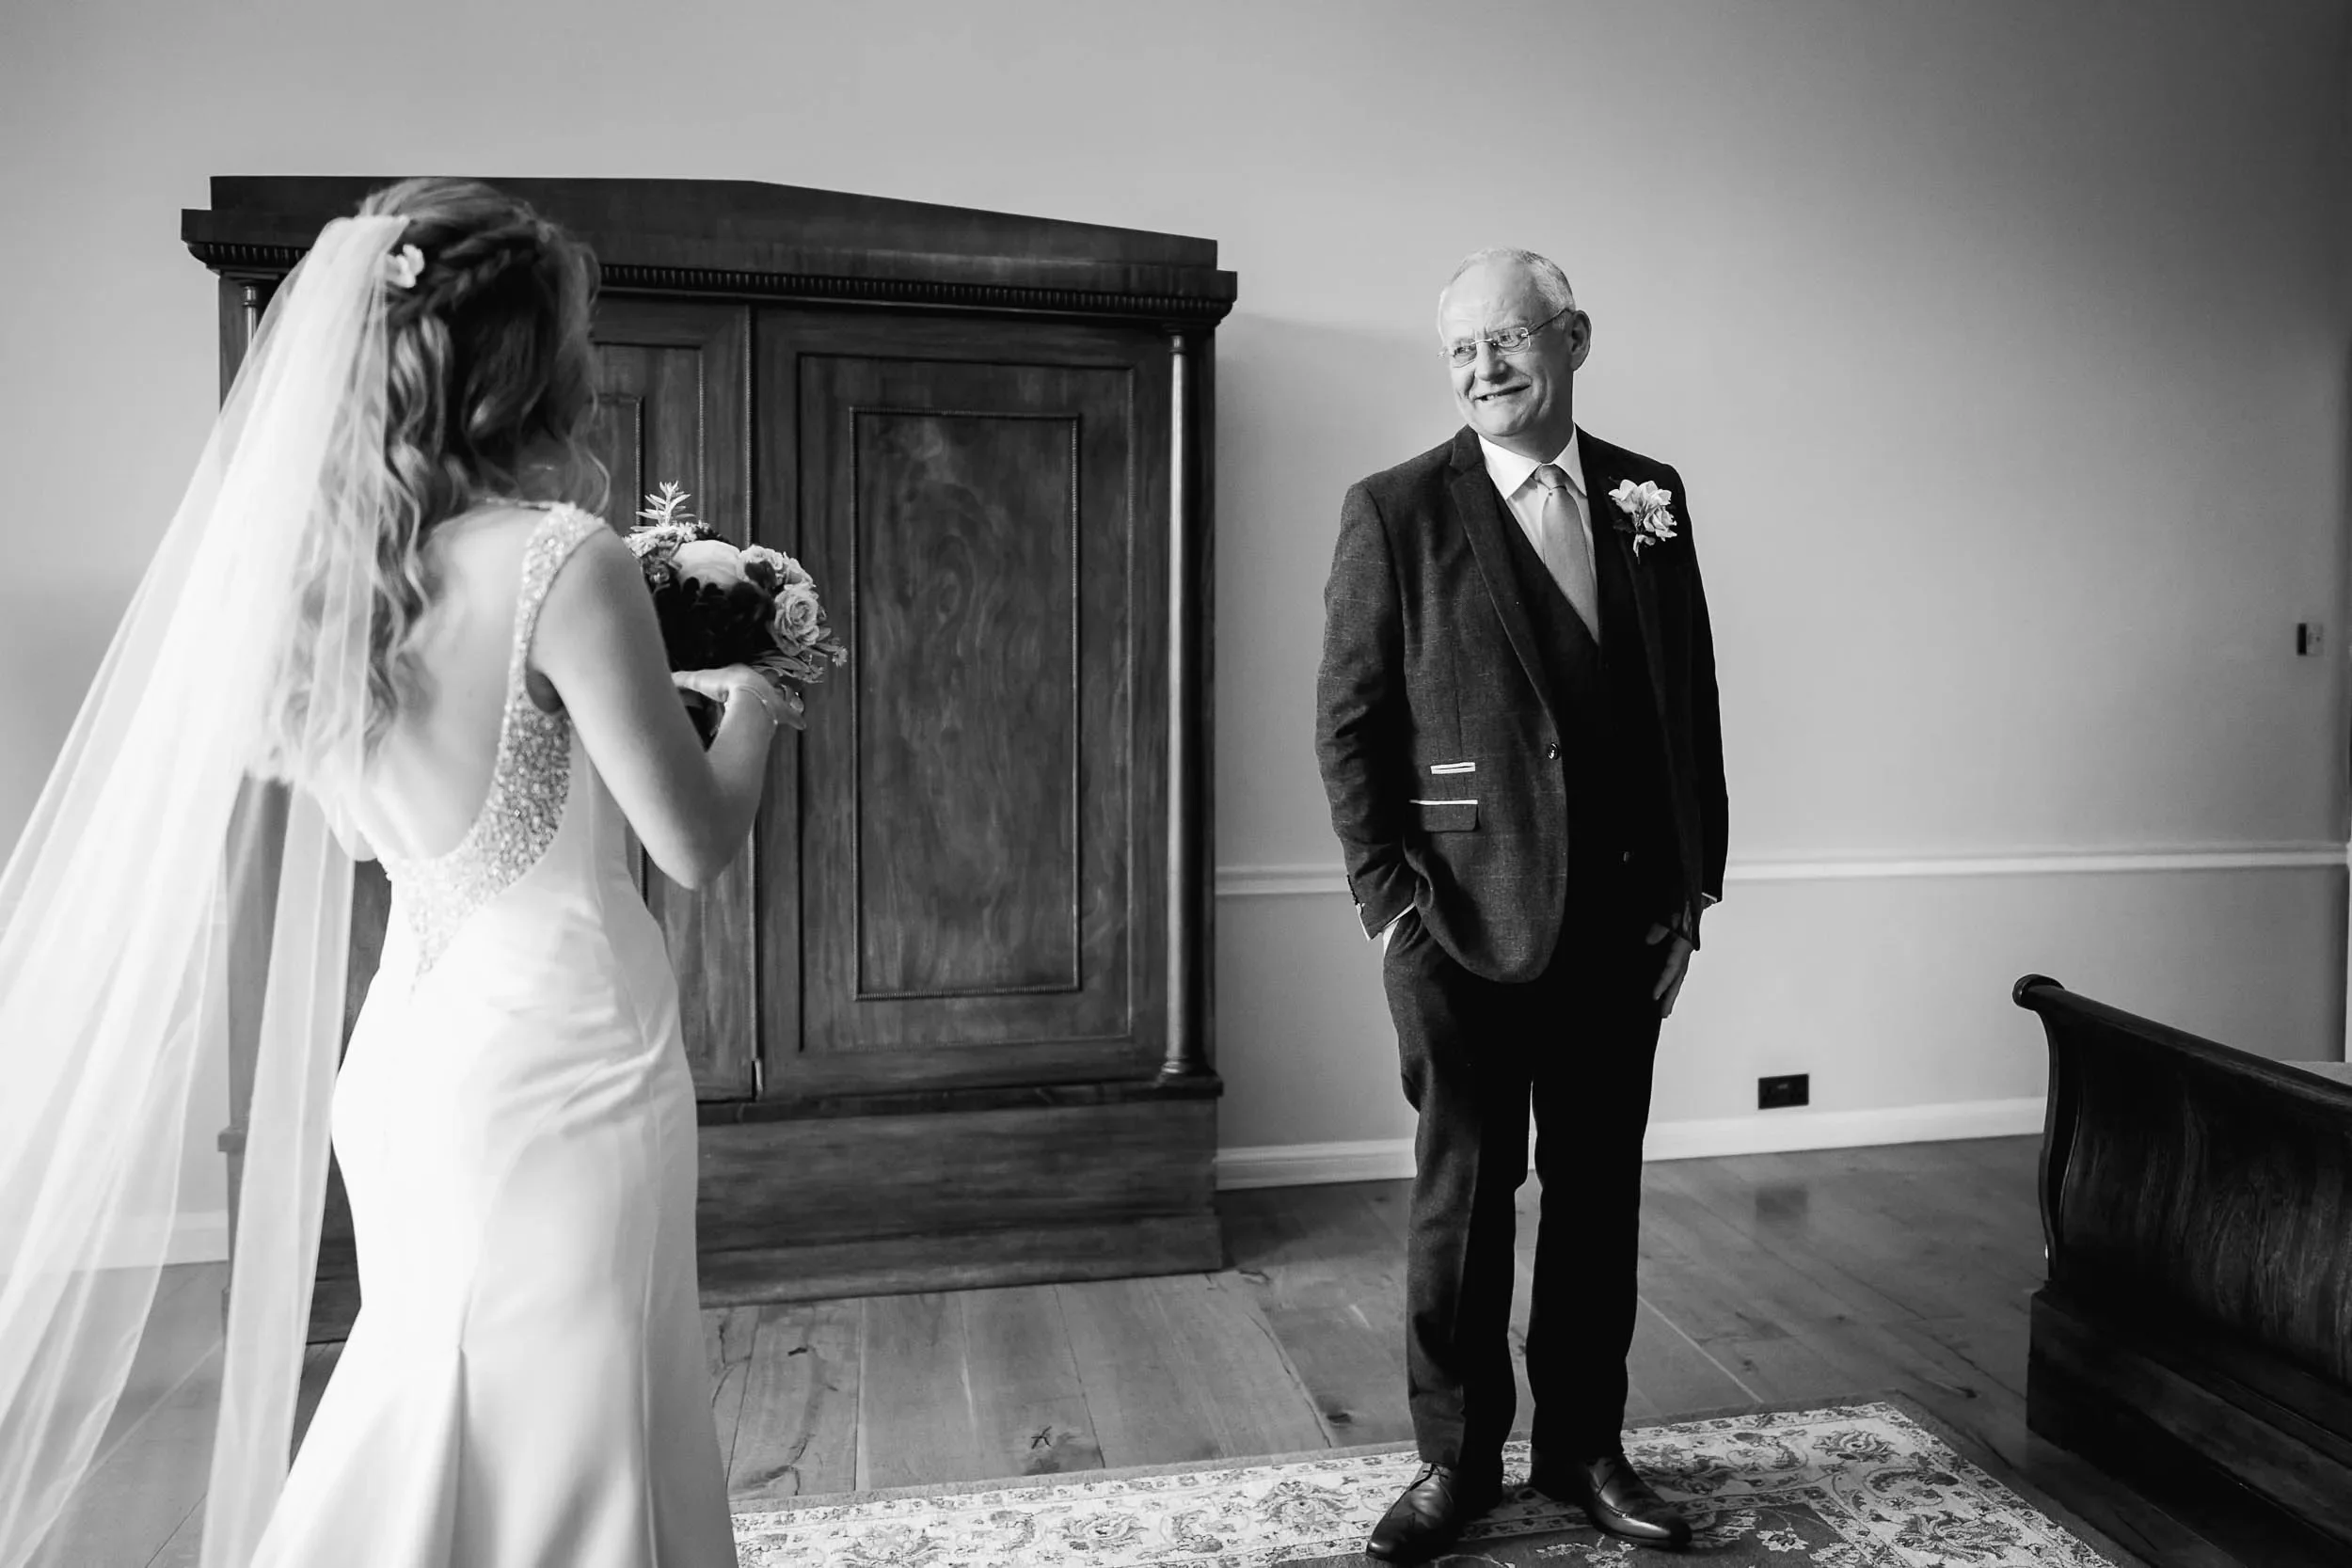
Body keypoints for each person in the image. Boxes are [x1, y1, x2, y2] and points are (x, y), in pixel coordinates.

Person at [0, 180, 792, 1567]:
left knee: (432, 1382)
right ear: (524, 362)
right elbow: (694, 841)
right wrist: (759, 708)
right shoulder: (563, 560)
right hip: (569, 1054)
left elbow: (376, 839)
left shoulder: (331, 586)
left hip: (414, 1057)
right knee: (583, 1404)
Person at [1314, 247, 1727, 1561]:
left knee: (1599, 1197)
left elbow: (1688, 698)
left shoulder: (1649, 497)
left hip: (1620, 925)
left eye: (1507, 341)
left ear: (1573, 338)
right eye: (1459, 352)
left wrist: (1690, 892)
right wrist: (1391, 908)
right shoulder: (1394, 511)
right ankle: (1456, 1462)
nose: (1482, 370)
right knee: (1465, 1202)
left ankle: (1586, 1447)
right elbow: (1348, 723)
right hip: (1458, 923)